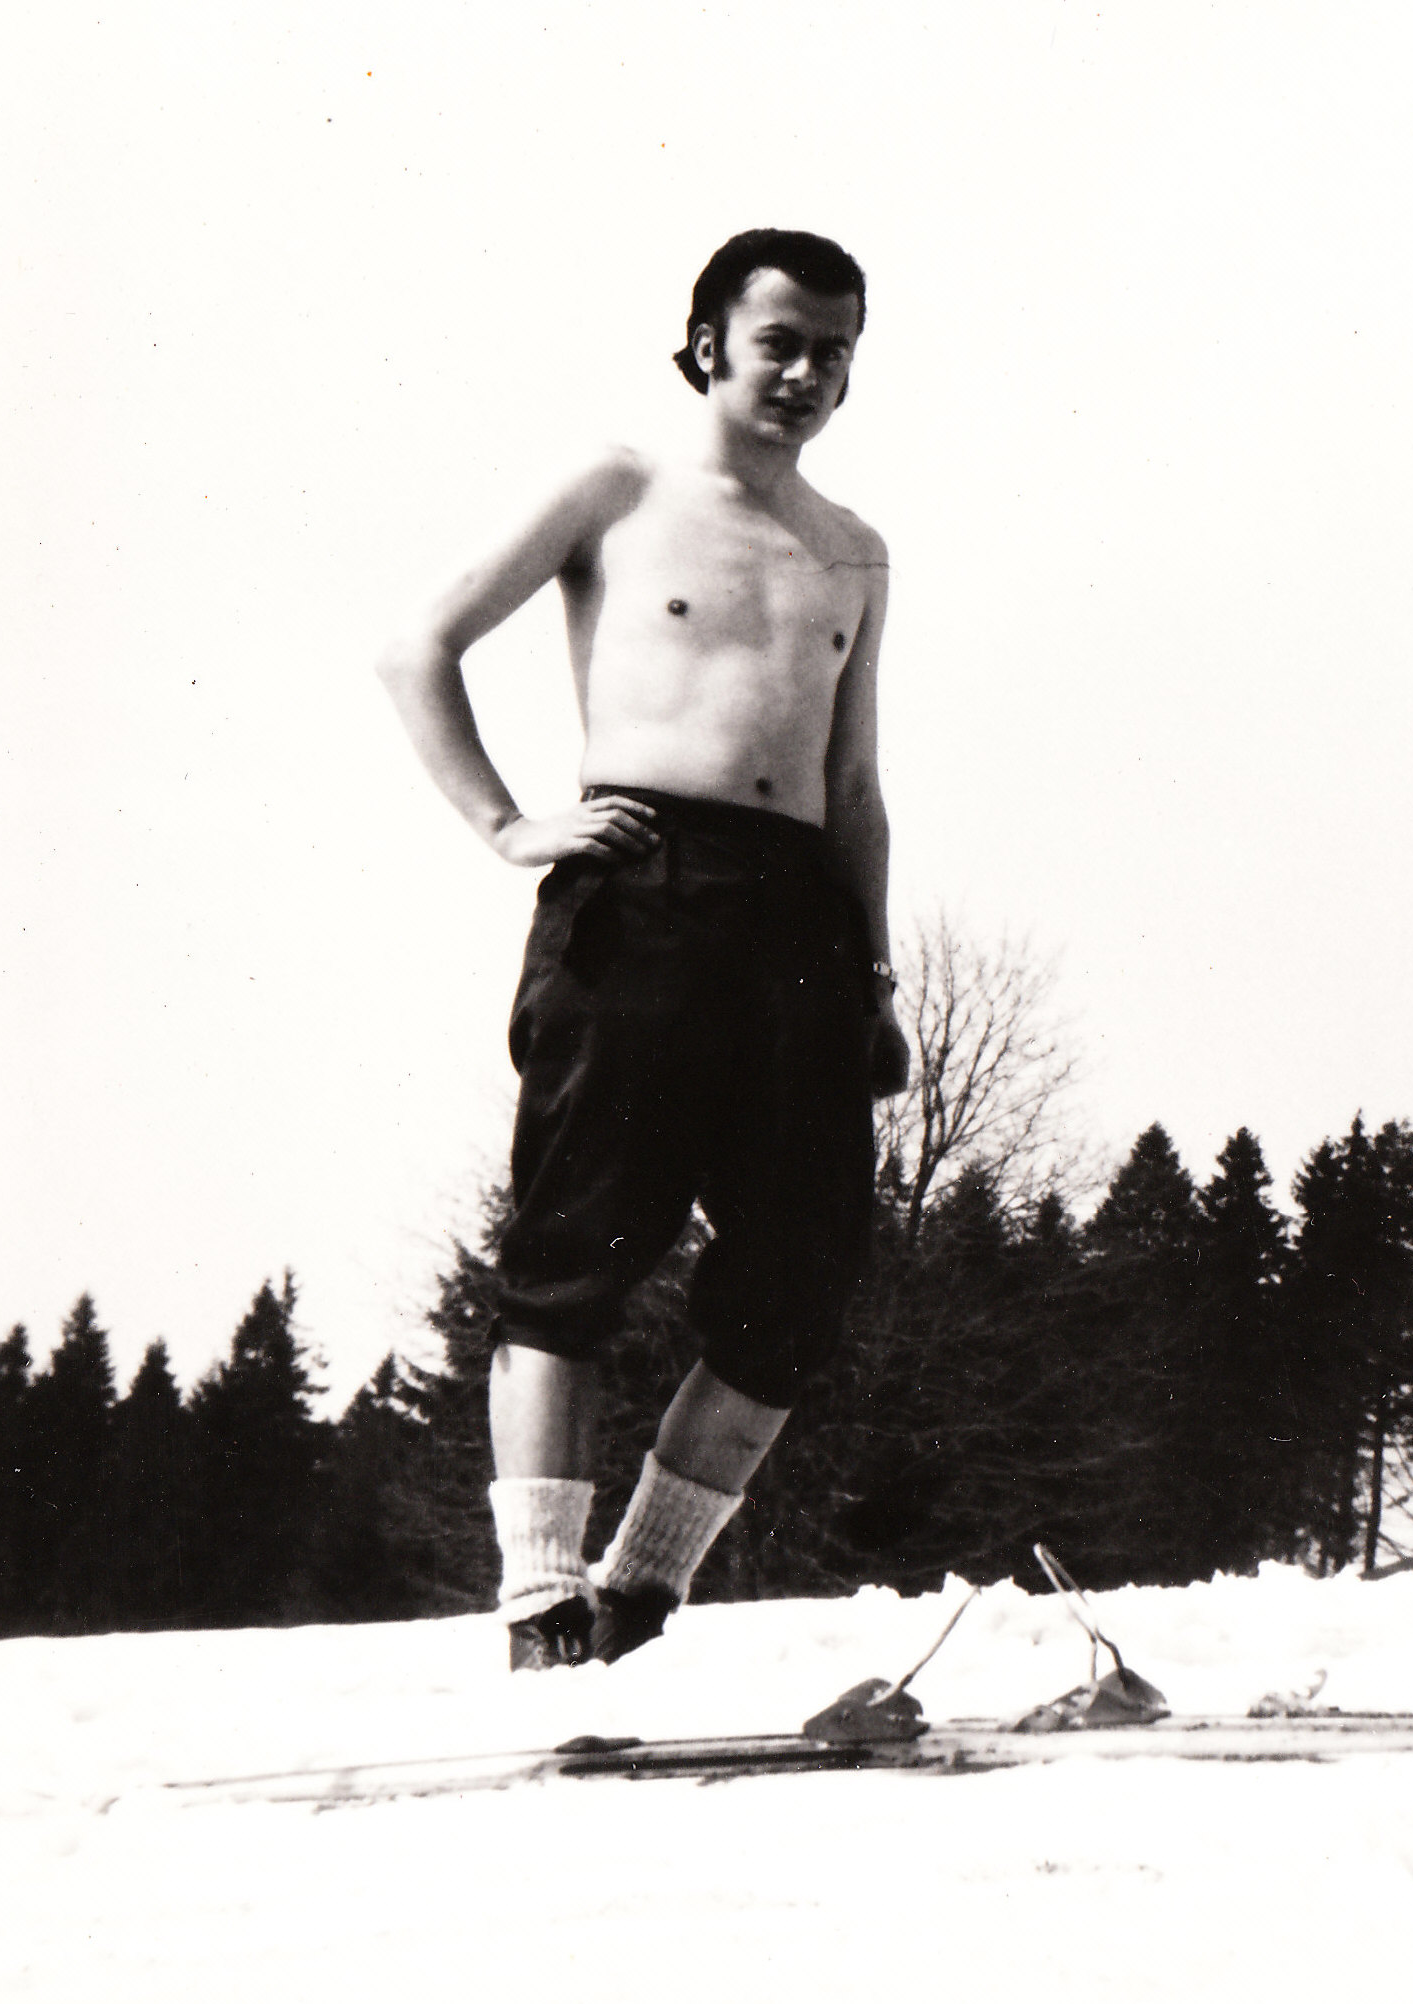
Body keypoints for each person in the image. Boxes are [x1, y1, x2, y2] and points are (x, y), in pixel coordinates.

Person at [377, 229, 911, 1667]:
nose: (807, 373)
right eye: (781, 342)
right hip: (640, 890)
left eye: (836, 350)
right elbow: (417, 645)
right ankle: (541, 1606)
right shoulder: (617, 486)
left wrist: (872, 979)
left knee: (800, 1281)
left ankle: (635, 1597)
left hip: (799, 921)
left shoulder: (854, 549)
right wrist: (506, 824)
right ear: (709, 341)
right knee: (577, 1252)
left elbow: (855, 787)